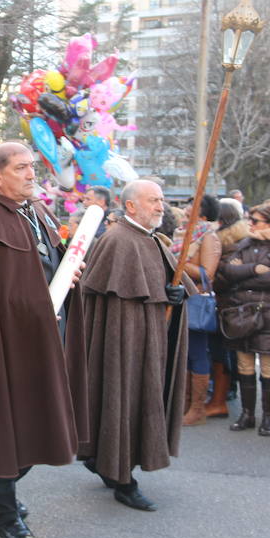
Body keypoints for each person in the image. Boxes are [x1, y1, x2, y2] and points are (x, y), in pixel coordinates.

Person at [0, 142, 88, 538]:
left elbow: (45, 265)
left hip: (43, 334)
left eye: (33, 167)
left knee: (44, 414)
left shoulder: (39, 211)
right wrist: (36, 301)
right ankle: (5, 512)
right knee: (6, 424)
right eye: (22, 168)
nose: (32, 174)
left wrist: (69, 271)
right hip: (3, 343)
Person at [79, 179, 192, 511]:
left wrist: (177, 293)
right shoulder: (117, 240)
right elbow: (106, 300)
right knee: (123, 399)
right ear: (131, 205)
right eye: (153, 200)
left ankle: (107, 462)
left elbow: (166, 284)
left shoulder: (151, 239)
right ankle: (123, 479)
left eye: (161, 200)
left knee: (137, 398)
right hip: (123, 342)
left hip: (148, 338)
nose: (160, 206)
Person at [214, 203, 270, 436]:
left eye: (255, 220)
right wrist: (255, 268)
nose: (250, 224)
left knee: (268, 366)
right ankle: (247, 414)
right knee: (244, 365)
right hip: (241, 313)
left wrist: (242, 274)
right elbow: (226, 271)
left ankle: (268, 418)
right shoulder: (245, 242)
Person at [172, 195, 222, 426]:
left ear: (203, 212)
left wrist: (179, 261)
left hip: (196, 300)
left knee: (197, 353)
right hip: (179, 299)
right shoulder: (182, 234)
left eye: (191, 206)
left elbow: (207, 273)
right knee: (183, 352)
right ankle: (184, 403)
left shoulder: (208, 236)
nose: (185, 209)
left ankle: (197, 408)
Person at [206, 201, 250, 416]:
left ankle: (224, 395)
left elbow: (224, 276)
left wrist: (216, 271)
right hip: (230, 304)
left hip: (230, 304)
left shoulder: (231, 243)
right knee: (228, 351)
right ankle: (225, 393)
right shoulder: (232, 240)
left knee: (225, 352)